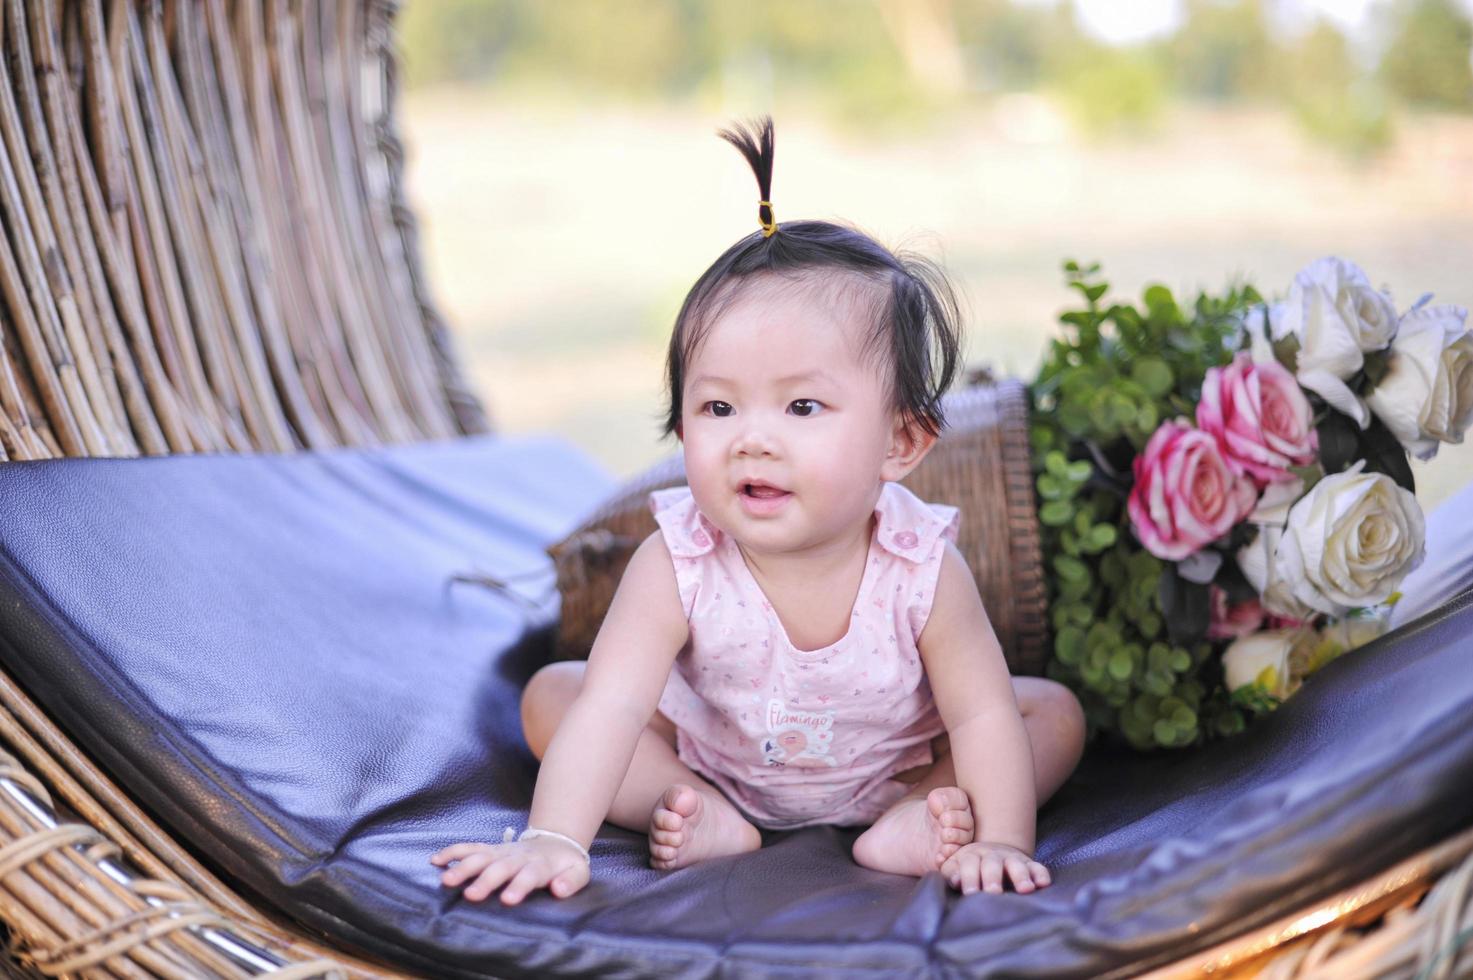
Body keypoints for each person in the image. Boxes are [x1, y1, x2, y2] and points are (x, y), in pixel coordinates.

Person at [432, 117, 1086, 906]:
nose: (753, 440)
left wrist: (997, 841)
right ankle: (696, 813)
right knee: (557, 699)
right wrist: (553, 837)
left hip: (897, 767)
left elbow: (979, 714)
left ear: (901, 440)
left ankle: (916, 820)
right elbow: (612, 705)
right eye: (717, 407)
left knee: (1045, 715)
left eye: (802, 406)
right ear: (680, 427)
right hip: (713, 762)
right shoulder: (676, 560)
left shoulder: (920, 566)